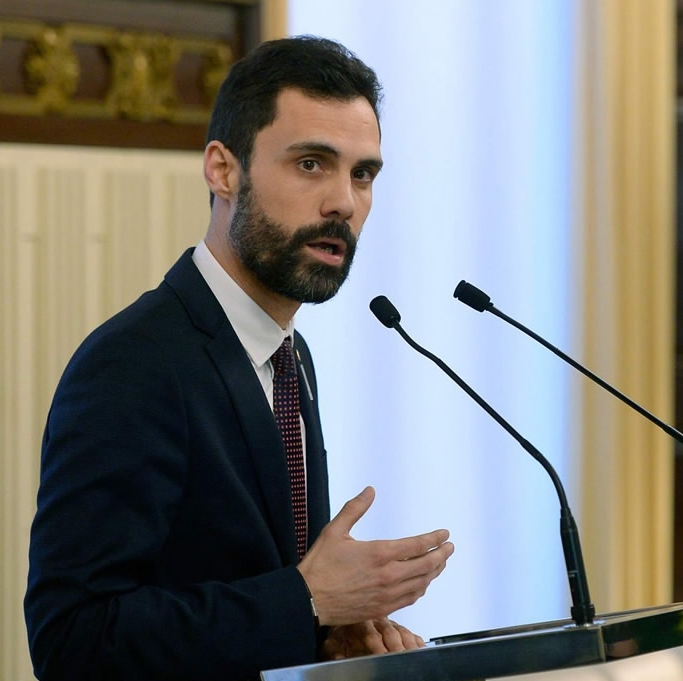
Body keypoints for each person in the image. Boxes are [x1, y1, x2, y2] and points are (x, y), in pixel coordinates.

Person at [23, 35, 454, 681]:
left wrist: (327, 632)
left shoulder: (290, 356)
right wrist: (307, 600)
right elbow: (74, 641)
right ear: (224, 171)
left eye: (362, 174)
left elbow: (257, 584)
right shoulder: (133, 364)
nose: (343, 201)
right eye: (311, 163)